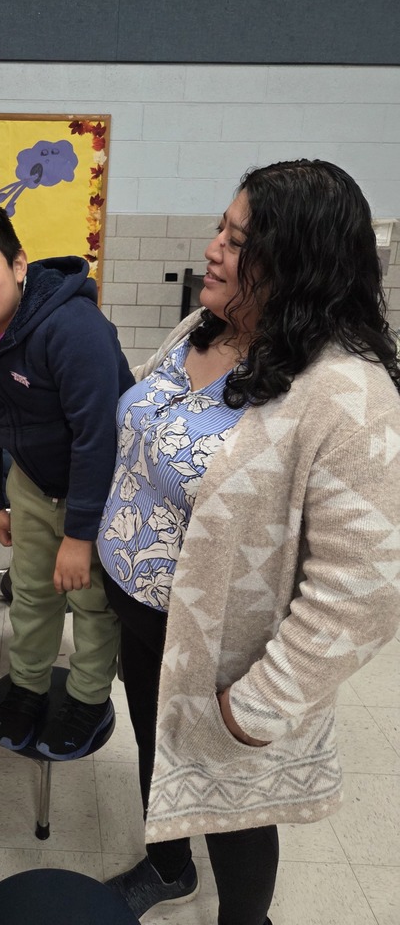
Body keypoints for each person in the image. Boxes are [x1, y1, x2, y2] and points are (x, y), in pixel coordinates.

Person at [98, 160, 400, 924]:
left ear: (298, 264)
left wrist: (260, 703)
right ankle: (168, 868)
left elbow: (365, 587)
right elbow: (155, 420)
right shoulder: (214, 325)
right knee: (151, 746)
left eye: (239, 242)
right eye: (220, 230)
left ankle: (245, 920)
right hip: (141, 612)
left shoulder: (347, 395)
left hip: (227, 653)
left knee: (233, 804)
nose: (213, 250)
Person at [0, 198, 134, 758]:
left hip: (101, 490)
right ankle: (29, 682)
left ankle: (88, 697)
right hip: (33, 487)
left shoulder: (73, 328)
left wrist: (80, 536)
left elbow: (99, 439)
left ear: (18, 264)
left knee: (90, 603)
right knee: (33, 596)